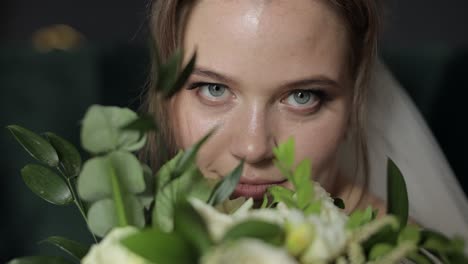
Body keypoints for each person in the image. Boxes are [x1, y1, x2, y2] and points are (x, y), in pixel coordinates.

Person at [140, 0, 468, 240]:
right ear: (166, 96)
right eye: (214, 89)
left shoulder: (405, 253)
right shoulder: (134, 237)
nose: (253, 148)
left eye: (303, 97)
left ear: (355, 104)